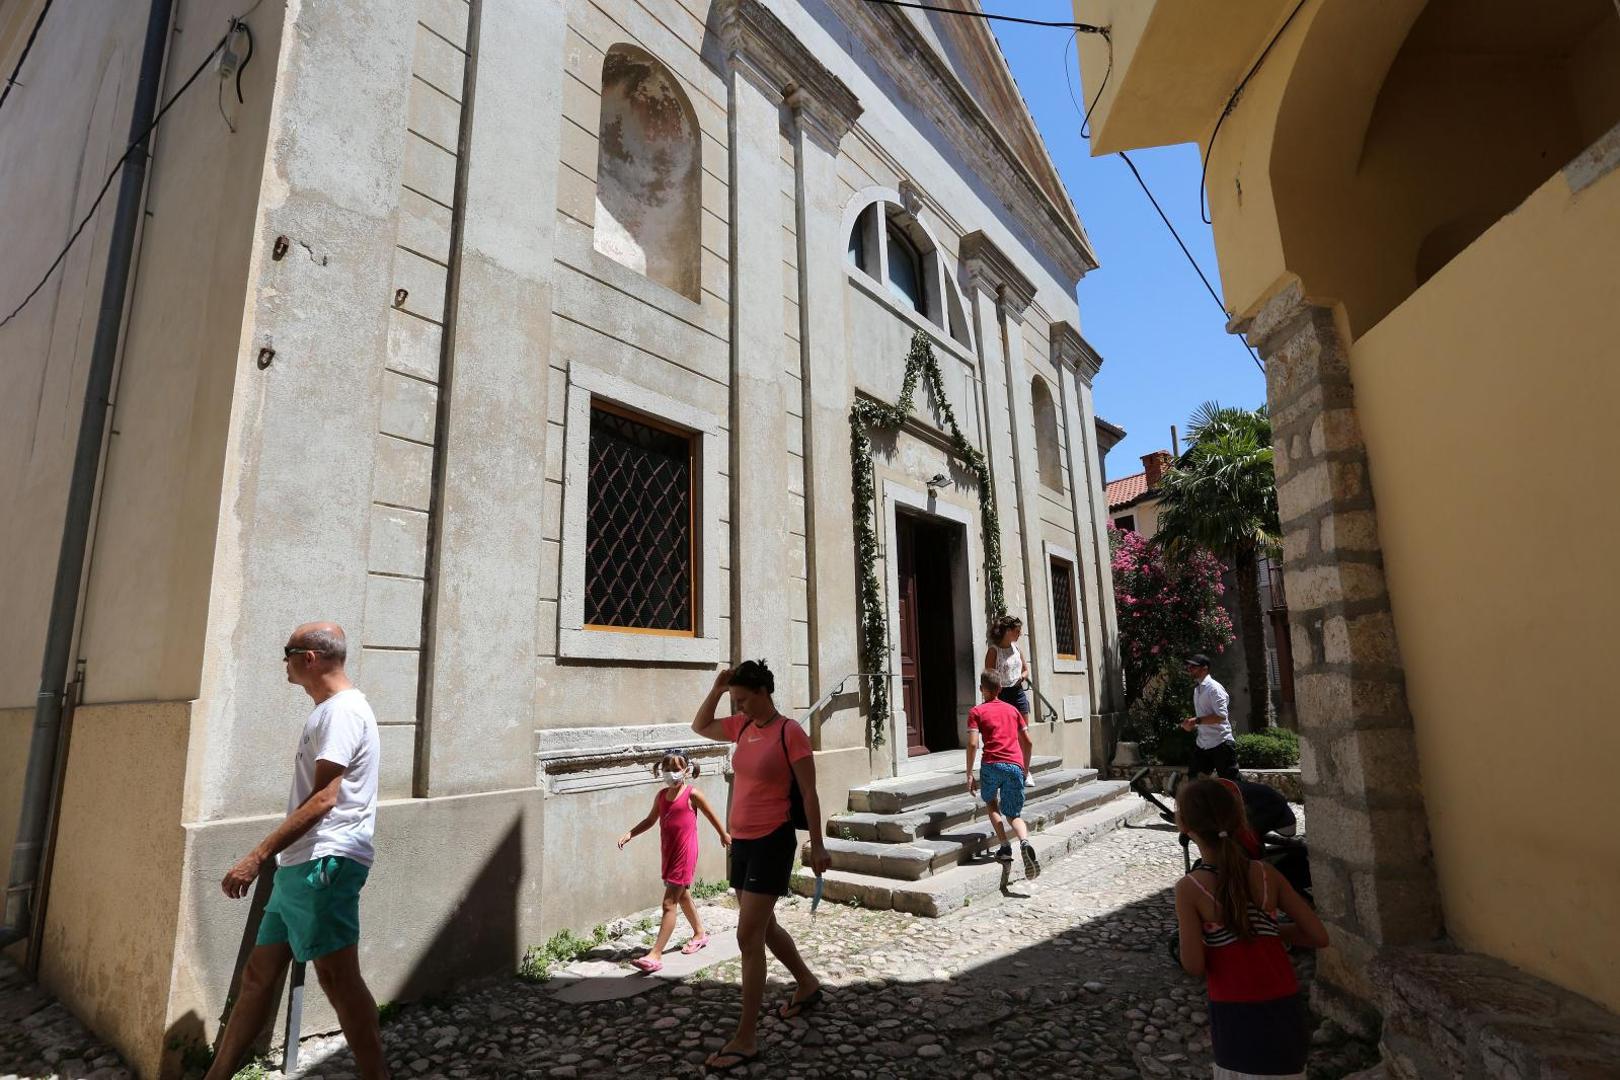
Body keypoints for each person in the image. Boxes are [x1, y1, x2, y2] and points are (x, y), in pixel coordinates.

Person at [206, 623, 389, 1080]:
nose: (283, 662)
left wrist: (257, 855)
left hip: (325, 861)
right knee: (257, 977)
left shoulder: (343, 712)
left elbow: (326, 798)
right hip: (299, 865)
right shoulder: (328, 711)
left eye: (287, 652)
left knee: (337, 978)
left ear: (309, 658)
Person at [691, 661, 830, 1073]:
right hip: (743, 841)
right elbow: (700, 726)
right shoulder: (742, 726)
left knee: (748, 935)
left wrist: (818, 845)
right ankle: (806, 984)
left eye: (744, 698)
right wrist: (717, 690)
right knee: (764, 927)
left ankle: (746, 1039)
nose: (740, 707)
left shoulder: (791, 733)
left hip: (773, 840)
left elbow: (809, 793)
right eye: (736, 701)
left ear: (764, 691)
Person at [1173, 779, 1329, 1079]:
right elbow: (1318, 936)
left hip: (1235, 1009)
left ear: (1184, 826)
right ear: (1239, 819)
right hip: (1285, 1004)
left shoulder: (1190, 888)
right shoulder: (1265, 873)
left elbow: (1193, 965)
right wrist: (1268, 930)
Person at [616, 752, 729, 972]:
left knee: (669, 903)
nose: (671, 773)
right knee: (682, 894)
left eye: (677, 768)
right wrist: (631, 833)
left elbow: (710, 814)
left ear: (687, 770)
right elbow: (650, 820)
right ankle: (700, 933)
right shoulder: (661, 796)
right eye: (667, 769)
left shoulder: (692, 794)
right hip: (668, 852)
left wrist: (723, 834)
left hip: (685, 853)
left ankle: (655, 955)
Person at [965, 670, 1040, 879]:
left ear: (982, 689)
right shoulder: (1013, 711)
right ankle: (1024, 842)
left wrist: (969, 773)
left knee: (991, 803)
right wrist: (1024, 769)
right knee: (1013, 814)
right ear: (1000, 689)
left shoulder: (976, 712)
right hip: (1015, 765)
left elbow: (972, 744)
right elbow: (1028, 741)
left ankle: (1005, 847)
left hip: (991, 765)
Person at [1181, 654, 1239, 781]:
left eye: (1193, 667)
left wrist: (1196, 721)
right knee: (1194, 781)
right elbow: (1204, 717)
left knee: (1232, 785)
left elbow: (1221, 716)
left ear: (1205, 669)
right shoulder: (1198, 690)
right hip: (1203, 744)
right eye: (1189, 666)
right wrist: (1191, 724)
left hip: (1221, 743)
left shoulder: (1214, 688)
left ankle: (1246, 801)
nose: (1189, 669)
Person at [984, 615, 1032, 725]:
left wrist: (1022, 677)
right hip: (1001, 694)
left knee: (1023, 728)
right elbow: (988, 676)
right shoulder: (993, 651)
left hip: (1018, 691)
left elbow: (1025, 670)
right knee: (1005, 728)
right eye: (1017, 631)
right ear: (1008, 631)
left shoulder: (1017, 649)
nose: (1019, 634)